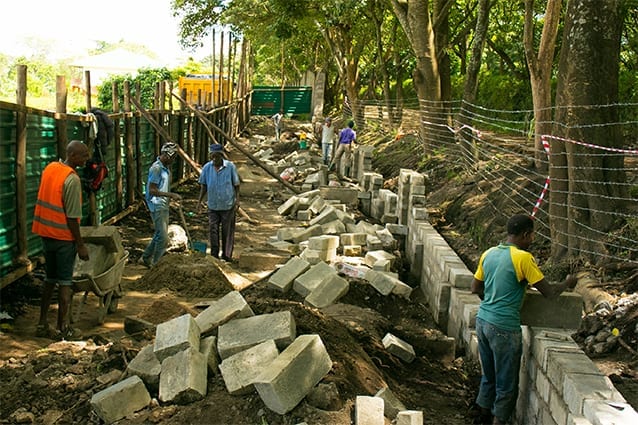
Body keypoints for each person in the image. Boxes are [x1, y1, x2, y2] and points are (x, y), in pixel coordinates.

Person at [470, 214, 577, 425]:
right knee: (507, 384)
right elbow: (549, 292)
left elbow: (475, 287)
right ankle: (498, 421)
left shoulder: (489, 253)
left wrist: (492, 301)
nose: (533, 240)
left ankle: (481, 415)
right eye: (532, 235)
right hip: (504, 328)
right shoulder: (523, 258)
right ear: (525, 234)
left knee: (489, 375)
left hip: (482, 321)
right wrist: (567, 283)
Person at [32, 140, 91, 340]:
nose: (87, 159)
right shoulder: (72, 180)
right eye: (83, 155)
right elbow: (72, 217)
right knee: (66, 283)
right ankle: (62, 329)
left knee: (49, 279)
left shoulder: (51, 168)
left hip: (45, 233)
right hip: (63, 238)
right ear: (73, 156)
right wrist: (80, 245)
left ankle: (41, 324)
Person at [139, 142, 182, 268]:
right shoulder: (157, 168)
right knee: (163, 238)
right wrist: (171, 195)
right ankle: (157, 265)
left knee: (159, 234)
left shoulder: (165, 167)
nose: (173, 160)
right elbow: (152, 190)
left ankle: (146, 257)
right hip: (157, 205)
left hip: (163, 204)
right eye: (173, 157)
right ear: (167, 155)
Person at [197, 143, 241, 262]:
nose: (215, 159)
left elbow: (236, 185)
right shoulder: (207, 168)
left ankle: (226, 255)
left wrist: (237, 201)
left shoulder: (230, 167)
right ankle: (214, 254)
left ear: (222, 156)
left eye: (217, 156)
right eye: (213, 157)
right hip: (213, 205)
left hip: (228, 205)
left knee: (227, 231)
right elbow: (204, 186)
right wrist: (199, 201)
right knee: (213, 230)